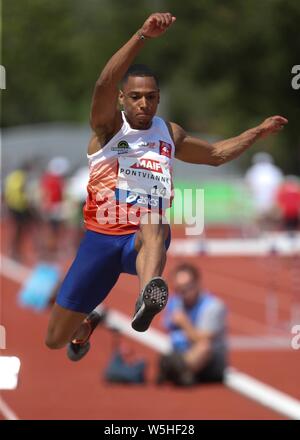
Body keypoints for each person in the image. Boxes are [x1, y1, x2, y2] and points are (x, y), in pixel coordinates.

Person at [45, 12, 288, 361]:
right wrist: (141, 35)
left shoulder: (169, 133)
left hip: (141, 242)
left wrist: (257, 132)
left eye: (151, 97)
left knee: (153, 217)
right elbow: (102, 82)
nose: (144, 103)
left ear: (158, 99)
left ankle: (148, 295)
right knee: (54, 339)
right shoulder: (108, 129)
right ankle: (84, 326)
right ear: (121, 99)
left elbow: (217, 154)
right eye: (136, 97)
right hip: (100, 240)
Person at [157, 264, 227, 386]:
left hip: (209, 363)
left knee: (203, 347)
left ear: (197, 284)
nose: (182, 293)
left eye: (186, 288)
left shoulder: (213, 306)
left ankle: (177, 369)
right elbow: (167, 327)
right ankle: (179, 370)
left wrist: (185, 324)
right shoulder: (175, 302)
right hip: (182, 353)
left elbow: (203, 339)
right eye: (178, 289)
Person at [245, 152, 284, 231]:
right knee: (269, 216)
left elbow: (248, 184)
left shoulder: (254, 170)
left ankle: (262, 231)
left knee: (262, 216)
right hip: (268, 197)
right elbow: (280, 185)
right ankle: (268, 231)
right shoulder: (274, 170)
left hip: (261, 198)